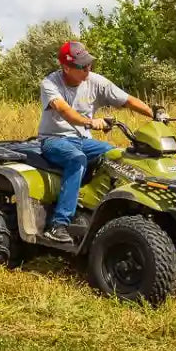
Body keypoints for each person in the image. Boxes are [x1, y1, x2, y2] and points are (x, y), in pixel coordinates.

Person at [38, 40, 155, 243]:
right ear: (66, 67)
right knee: (77, 159)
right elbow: (65, 111)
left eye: (89, 64)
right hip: (54, 140)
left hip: (82, 139)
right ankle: (58, 225)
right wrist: (90, 122)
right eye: (82, 66)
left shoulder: (94, 81)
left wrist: (154, 114)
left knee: (117, 156)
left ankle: (100, 211)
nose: (88, 69)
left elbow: (127, 100)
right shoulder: (50, 84)